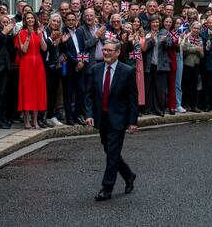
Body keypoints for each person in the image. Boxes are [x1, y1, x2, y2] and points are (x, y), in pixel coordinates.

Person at [85, 38, 138, 201]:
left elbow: (132, 99)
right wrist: (89, 114)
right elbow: (89, 95)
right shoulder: (95, 69)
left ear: (117, 52)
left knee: (112, 153)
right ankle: (129, 175)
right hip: (102, 119)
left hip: (118, 120)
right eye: (104, 50)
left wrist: (133, 121)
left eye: (109, 50)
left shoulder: (127, 71)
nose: (106, 52)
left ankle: (106, 188)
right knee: (110, 152)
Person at [15, 12, 48, 128]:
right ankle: (26, 120)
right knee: (27, 90)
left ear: (35, 20)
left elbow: (44, 48)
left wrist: (40, 36)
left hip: (38, 63)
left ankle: (35, 120)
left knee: (38, 91)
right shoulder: (21, 33)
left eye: (31, 18)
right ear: (25, 20)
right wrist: (28, 36)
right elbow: (23, 50)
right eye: (27, 18)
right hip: (26, 63)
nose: (30, 20)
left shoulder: (39, 32)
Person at [142, 15, 173, 116]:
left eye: (157, 22)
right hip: (149, 65)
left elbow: (169, 45)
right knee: (148, 87)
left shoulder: (164, 32)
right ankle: (147, 108)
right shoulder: (146, 33)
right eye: (153, 22)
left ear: (159, 23)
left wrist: (165, 41)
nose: (155, 24)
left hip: (161, 65)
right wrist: (151, 38)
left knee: (160, 89)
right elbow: (145, 48)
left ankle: (159, 109)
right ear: (150, 23)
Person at [61, 12, 87, 126]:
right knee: (68, 93)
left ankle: (77, 115)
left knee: (81, 92)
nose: (71, 22)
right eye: (69, 20)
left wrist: (82, 62)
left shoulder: (80, 32)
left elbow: (84, 48)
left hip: (80, 66)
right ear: (65, 21)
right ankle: (69, 117)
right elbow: (65, 51)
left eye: (73, 19)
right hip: (69, 67)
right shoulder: (63, 33)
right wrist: (76, 62)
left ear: (76, 20)